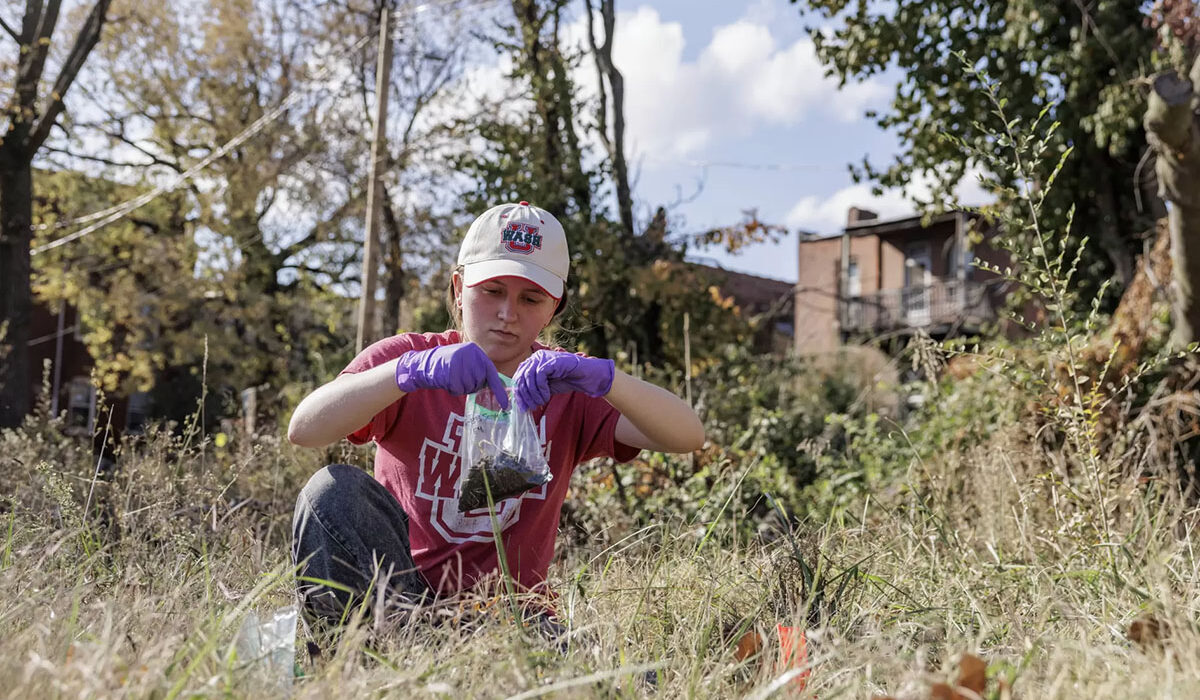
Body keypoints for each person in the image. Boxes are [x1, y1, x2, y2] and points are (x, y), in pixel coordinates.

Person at [287, 201, 705, 639]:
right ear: (458, 287)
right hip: (399, 601)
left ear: (554, 308)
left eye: (530, 298)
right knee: (329, 491)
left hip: (510, 619)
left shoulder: (567, 384)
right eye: (491, 291)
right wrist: (407, 373)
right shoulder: (407, 358)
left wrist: (606, 379)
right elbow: (305, 429)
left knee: (631, 680)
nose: (508, 314)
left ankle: (448, 665)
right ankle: (355, 664)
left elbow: (687, 435)